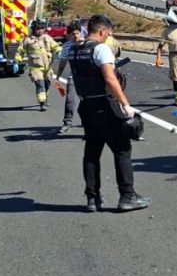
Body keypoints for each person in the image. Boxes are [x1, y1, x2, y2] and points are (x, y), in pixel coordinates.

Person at [64, 14, 149, 213]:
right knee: (122, 149)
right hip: (105, 104)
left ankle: (92, 198)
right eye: (108, 33)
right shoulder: (101, 49)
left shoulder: (74, 50)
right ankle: (127, 196)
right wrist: (126, 105)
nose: (108, 36)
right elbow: (110, 79)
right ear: (102, 31)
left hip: (86, 106)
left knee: (92, 152)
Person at [15, 20, 61, 111]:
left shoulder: (46, 38)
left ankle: (45, 98)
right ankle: (42, 103)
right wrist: (17, 61)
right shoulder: (27, 40)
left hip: (47, 68)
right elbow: (20, 51)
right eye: (37, 29)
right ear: (33, 29)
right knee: (40, 85)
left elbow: (55, 46)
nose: (40, 31)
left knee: (47, 84)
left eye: (42, 29)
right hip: (35, 68)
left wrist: (59, 51)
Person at [52, 22, 84, 134]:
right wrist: (57, 77)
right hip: (73, 76)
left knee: (87, 101)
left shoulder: (87, 43)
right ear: (69, 35)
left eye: (77, 33)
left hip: (88, 77)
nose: (76, 36)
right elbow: (63, 62)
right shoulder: (66, 46)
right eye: (73, 34)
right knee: (70, 99)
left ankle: (87, 122)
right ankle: (67, 123)